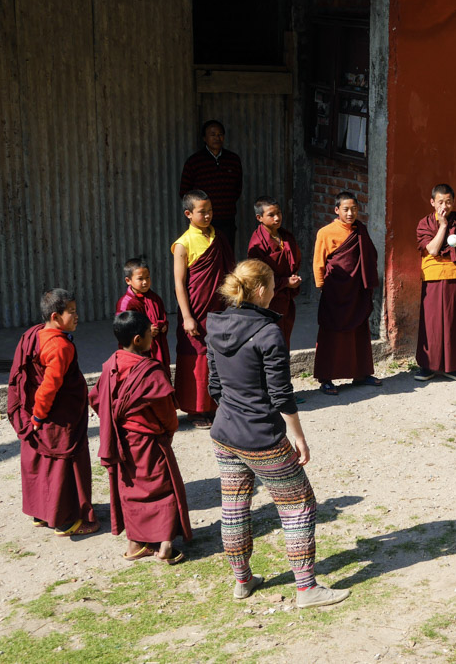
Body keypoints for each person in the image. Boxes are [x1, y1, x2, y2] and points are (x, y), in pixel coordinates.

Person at [206, 259, 349, 608]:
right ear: (259, 290)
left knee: (234, 506)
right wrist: (298, 435)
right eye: (273, 285)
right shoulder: (268, 332)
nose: (276, 290)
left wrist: (236, 410)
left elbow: (214, 386)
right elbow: (281, 394)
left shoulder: (215, 325)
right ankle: (306, 589)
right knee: (299, 504)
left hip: (224, 432)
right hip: (262, 437)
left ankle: (242, 581)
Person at [89, 310, 191, 563]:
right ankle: (165, 545)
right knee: (161, 486)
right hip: (149, 440)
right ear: (138, 339)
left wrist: (116, 424)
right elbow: (167, 412)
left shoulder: (110, 365)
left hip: (122, 440)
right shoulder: (150, 371)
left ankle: (135, 544)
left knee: (131, 488)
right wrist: (168, 431)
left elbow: (96, 399)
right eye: (149, 334)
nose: (152, 338)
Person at [7, 289, 98, 536]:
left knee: (39, 460)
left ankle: (41, 512)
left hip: (41, 413)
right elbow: (49, 386)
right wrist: (38, 416)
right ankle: (65, 520)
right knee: (62, 464)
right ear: (56, 316)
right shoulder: (59, 346)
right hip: (56, 416)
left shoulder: (35, 334)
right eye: (72, 312)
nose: (77, 316)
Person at [172, 190, 236, 429]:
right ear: (189, 214)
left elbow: (228, 269)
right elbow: (179, 282)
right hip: (196, 308)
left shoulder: (218, 236)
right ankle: (196, 409)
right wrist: (187, 316)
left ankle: (216, 405)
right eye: (202, 212)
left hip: (219, 305)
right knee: (196, 357)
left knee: (218, 355)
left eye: (210, 210)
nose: (208, 215)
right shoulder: (183, 244)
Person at [313, 191, 380, 393]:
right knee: (331, 332)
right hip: (336, 290)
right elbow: (319, 262)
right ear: (336, 210)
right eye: (346, 209)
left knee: (359, 330)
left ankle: (361, 373)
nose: (350, 213)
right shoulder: (326, 232)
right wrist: (321, 286)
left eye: (354, 209)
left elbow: (371, 255)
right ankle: (326, 377)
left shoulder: (360, 230)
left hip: (356, 289)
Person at [415, 183, 456, 382]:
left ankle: (452, 367)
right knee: (431, 325)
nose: (444, 206)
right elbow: (433, 250)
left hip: (455, 277)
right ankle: (427, 366)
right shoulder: (425, 224)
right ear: (432, 202)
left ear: (453, 202)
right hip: (432, 278)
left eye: (448, 202)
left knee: (453, 323)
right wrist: (444, 225)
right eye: (440, 202)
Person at [179, 120, 243, 253]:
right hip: (202, 222)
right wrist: (201, 211)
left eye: (220, 134)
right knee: (204, 256)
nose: (217, 138)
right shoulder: (194, 162)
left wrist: (224, 205)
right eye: (212, 134)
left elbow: (237, 189)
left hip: (227, 220)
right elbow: (184, 193)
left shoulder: (233, 160)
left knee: (226, 257)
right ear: (204, 138)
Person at [247, 196, 302, 348]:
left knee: (285, 337)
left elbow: (295, 261)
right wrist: (285, 282)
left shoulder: (286, 236)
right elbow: (258, 278)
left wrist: (293, 279)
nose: (277, 218)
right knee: (271, 339)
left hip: (285, 298)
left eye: (279, 213)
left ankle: (283, 370)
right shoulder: (257, 244)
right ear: (260, 218)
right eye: (271, 215)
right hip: (268, 300)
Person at [117, 256, 171, 373]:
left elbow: (163, 317)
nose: (145, 282)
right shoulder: (126, 303)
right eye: (140, 279)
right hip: (139, 353)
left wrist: (163, 325)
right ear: (128, 281)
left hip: (157, 348)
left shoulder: (155, 298)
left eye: (147, 277)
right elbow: (123, 330)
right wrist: (146, 331)